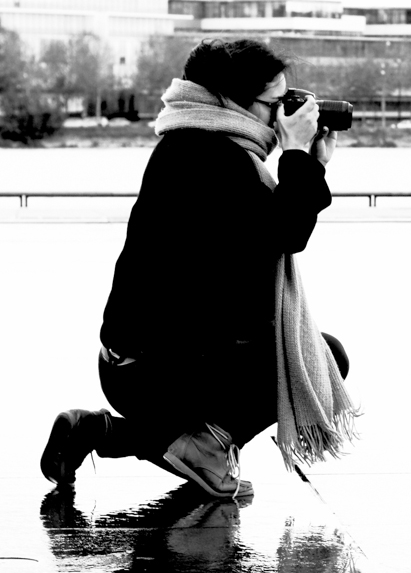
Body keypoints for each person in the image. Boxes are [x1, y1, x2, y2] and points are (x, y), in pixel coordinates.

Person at [39, 38, 356, 499]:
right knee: (320, 359)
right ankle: (196, 447)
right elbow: (283, 234)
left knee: (312, 354)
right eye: (276, 103)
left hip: (145, 362)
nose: (284, 114)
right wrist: (295, 157)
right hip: (156, 372)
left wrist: (308, 163)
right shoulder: (210, 158)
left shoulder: (195, 144)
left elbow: (260, 239)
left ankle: (100, 433)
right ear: (231, 101)